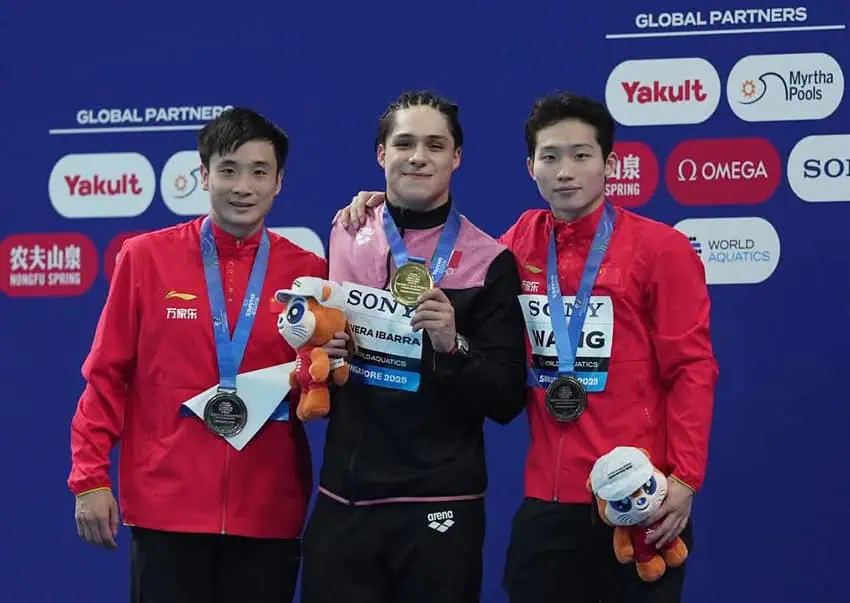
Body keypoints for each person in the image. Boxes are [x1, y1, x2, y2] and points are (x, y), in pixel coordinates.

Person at [333, 91, 719, 603]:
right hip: (547, 499)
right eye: (550, 156)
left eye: (581, 155)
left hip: (637, 496)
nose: (565, 171)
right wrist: (383, 208)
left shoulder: (660, 248)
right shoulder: (517, 245)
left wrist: (685, 479)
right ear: (530, 166)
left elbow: (692, 368)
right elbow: (447, 243)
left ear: (609, 164)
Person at [68, 107, 343, 603]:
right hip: (166, 506)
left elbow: (320, 379)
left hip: (268, 508)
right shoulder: (145, 258)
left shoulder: (310, 272)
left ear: (279, 182)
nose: (243, 186)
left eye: (259, 172)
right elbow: (106, 376)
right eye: (228, 169)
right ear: (203, 175)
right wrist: (89, 478)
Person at [298, 90, 528, 603]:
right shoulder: (346, 230)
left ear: (456, 158)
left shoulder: (490, 261)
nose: (418, 156)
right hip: (347, 496)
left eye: (434, 144)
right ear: (382, 155)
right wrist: (324, 351)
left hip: (441, 499)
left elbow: (508, 399)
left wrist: (454, 344)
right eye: (404, 143)